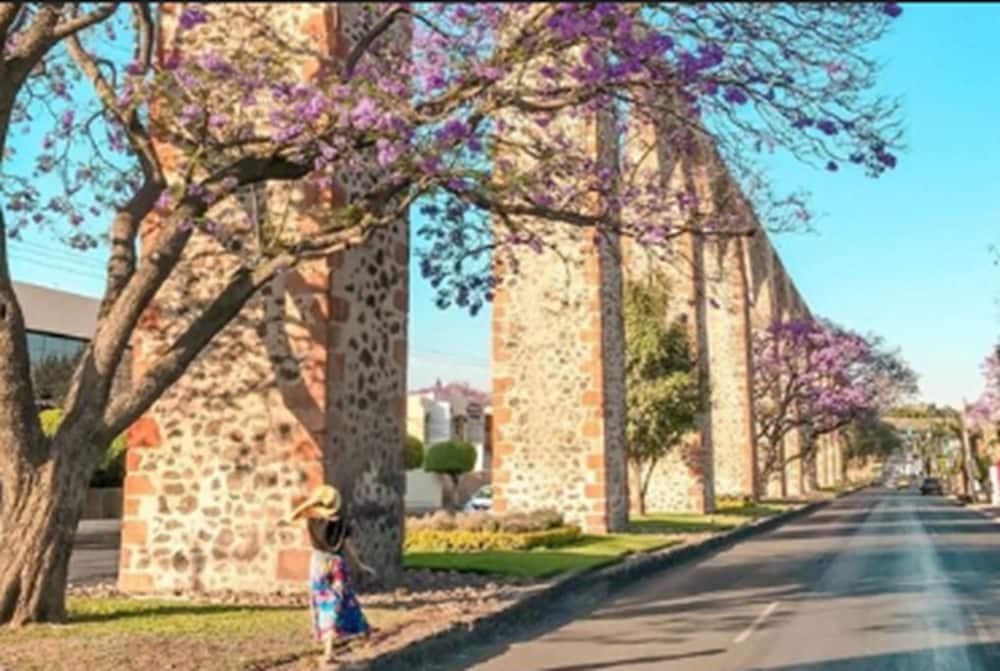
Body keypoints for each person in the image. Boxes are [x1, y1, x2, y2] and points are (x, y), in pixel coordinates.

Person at [284, 484, 375, 663]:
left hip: (318, 565)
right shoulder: (342, 523)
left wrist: (308, 503)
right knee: (343, 600)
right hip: (336, 565)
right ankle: (363, 630)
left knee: (324, 603)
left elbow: (289, 517)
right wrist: (360, 565)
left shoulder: (312, 519)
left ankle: (329, 650)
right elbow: (349, 547)